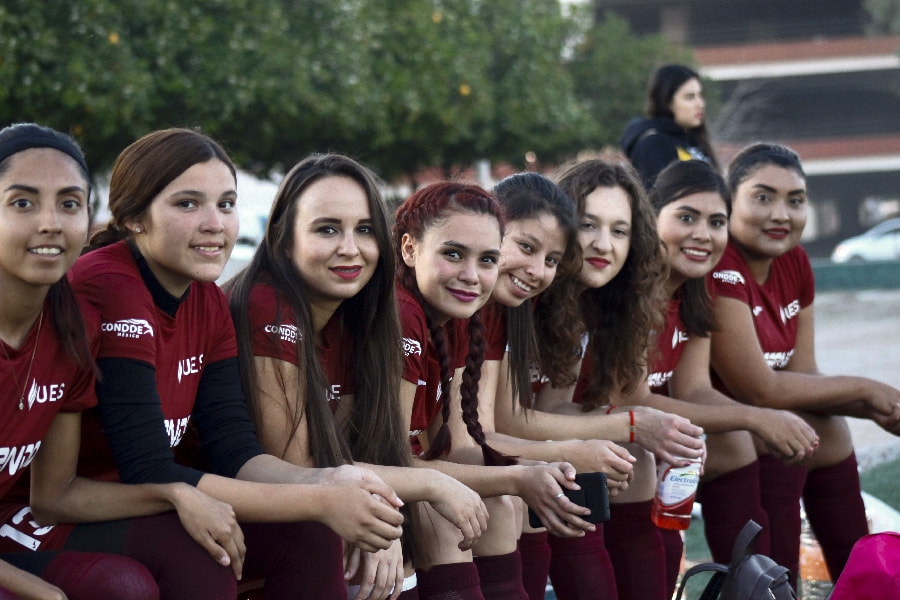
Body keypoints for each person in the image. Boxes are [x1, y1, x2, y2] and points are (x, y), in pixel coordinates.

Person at [63, 128, 406, 599]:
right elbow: (148, 467)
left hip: (156, 503)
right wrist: (323, 497)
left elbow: (236, 453)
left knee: (310, 534)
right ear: (133, 217)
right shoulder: (109, 283)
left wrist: (339, 484)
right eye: (188, 204)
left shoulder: (206, 298)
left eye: (226, 204)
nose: (215, 223)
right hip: (64, 510)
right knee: (198, 553)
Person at [227, 153, 489, 600]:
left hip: (308, 504)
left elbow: (358, 448)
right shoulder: (266, 305)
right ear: (283, 238)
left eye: (365, 230)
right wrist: (425, 485)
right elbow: (298, 469)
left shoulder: (361, 312)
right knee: (350, 534)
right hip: (223, 512)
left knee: (424, 528)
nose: (350, 247)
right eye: (327, 229)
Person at [0, 122, 234, 600]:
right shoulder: (108, 289)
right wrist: (35, 589)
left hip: (33, 520)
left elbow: (54, 495)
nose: (51, 222)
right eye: (22, 202)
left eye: (69, 203)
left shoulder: (72, 327)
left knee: (192, 555)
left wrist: (176, 493)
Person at [708, 142, 900, 584]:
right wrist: (867, 390)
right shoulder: (721, 264)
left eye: (795, 201)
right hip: (718, 426)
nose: (781, 214)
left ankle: (864, 587)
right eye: (763, 197)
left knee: (830, 429)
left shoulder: (794, 260)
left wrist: (875, 408)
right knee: (790, 434)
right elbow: (758, 389)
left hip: (762, 418)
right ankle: (778, 587)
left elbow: (803, 373)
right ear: (729, 201)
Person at [519, 159, 707, 600]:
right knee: (611, 448)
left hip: (535, 445)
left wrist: (647, 431)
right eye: (589, 225)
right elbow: (511, 420)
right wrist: (630, 423)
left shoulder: (603, 302)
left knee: (634, 456)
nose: (604, 244)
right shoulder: (527, 288)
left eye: (619, 231)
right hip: (489, 449)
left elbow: (554, 406)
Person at [393, 182, 591, 600]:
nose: (471, 274)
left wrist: (519, 476)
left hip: (396, 476)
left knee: (500, 503)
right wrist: (539, 465)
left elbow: (461, 443)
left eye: (486, 259)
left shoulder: (466, 311)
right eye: (453, 254)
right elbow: (387, 457)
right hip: (358, 482)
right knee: (454, 515)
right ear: (410, 250)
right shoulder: (405, 313)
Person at [642, 159, 819, 596]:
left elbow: (694, 388)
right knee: (738, 433)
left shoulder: (694, 288)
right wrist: (758, 416)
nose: (703, 234)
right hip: (613, 436)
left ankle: (763, 587)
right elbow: (627, 399)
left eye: (716, 222)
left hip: (664, 440)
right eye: (687, 217)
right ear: (651, 218)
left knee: (746, 439)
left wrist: (760, 419)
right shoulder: (631, 291)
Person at [619, 64, 720, 188]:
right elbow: (655, 200)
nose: (700, 104)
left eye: (700, 95)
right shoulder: (653, 143)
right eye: (690, 97)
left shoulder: (694, 139)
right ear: (667, 102)